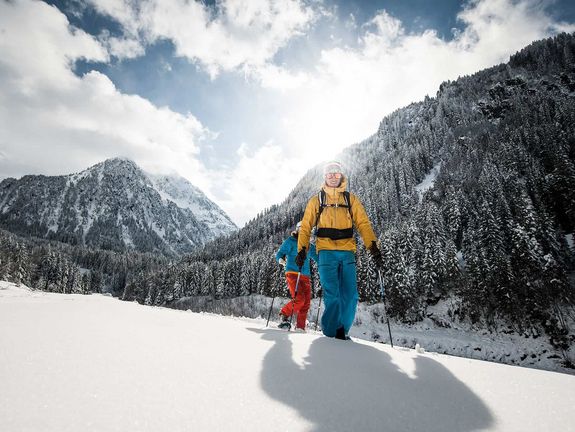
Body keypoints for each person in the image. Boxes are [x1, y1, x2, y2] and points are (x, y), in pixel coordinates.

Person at [296, 161, 383, 340]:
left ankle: (342, 330)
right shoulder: (317, 200)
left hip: (347, 251)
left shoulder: (350, 199)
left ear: (341, 175)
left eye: (336, 173)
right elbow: (305, 227)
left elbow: (363, 223)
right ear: (325, 177)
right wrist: (302, 250)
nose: (333, 176)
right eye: (329, 173)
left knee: (351, 296)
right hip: (326, 253)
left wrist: (373, 246)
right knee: (332, 295)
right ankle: (330, 334)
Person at [275, 221, 318, 332]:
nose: (305, 233)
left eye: (307, 231)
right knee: (299, 299)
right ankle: (284, 314)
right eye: (302, 230)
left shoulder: (309, 246)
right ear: (298, 230)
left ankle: (300, 327)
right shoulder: (291, 241)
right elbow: (280, 253)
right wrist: (280, 259)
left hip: (306, 276)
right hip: (293, 273)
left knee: (306, 303)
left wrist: (327, 265)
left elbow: (318, 258)